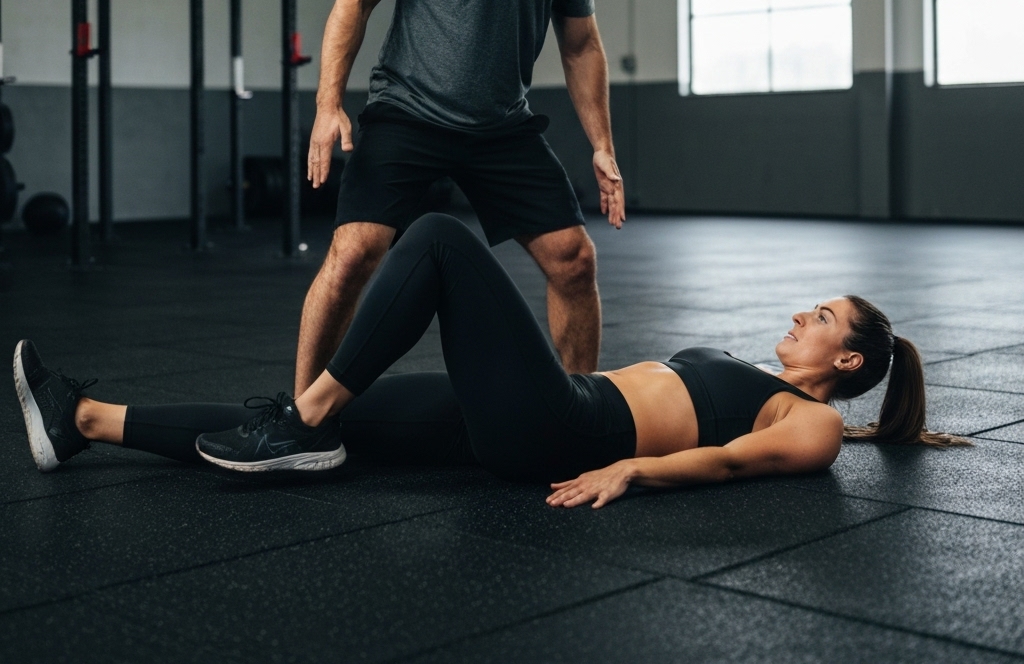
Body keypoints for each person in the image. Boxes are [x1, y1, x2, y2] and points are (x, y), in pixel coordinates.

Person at [14, 215, 968, 507]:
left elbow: (729, 463)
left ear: (846, 359)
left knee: (436, 242)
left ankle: (306, 420)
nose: (803, 313)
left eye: (822, 316)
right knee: (291, 417)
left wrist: (632, 469)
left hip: (565, 429)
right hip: (553, 406)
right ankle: (86, 423)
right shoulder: (748, 368)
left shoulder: (809, 425)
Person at [296, 0, 623, 390]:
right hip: (409, 112)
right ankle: (299, 417)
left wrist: (603, 145)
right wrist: (327, 104)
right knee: (353, 254)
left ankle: (581, 413)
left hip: (502, 125)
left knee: (574, 261)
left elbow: (581, 44)